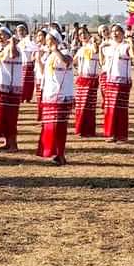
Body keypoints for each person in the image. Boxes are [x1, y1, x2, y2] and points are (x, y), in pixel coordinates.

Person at [37, 28, 74, 165]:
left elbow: (67, 61)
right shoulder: (49, 56)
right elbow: (43, 74)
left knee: (59, 127)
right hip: (49, 95)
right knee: (50, 126)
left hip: (61, 96)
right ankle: (52, 152)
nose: (47, 43)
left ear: (56, 41)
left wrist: (55, 50)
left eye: (50, 40)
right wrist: (39, 60)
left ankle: (60, 155)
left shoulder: (64, 52)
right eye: (46, 41)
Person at [101, 24, 134, 143]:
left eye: (118, 31)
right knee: (110, 109)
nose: (115, 33)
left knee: (120, 109)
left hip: (122, 82)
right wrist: (100, 48)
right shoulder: (109, 47)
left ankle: (121, 135)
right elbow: (102, 61)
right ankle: (110, 134)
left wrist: (131, 43)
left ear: (122, 33)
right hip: (110, 81)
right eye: (113, 31)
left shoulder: (125, 46)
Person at [72, 29, 101, 137]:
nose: (82, 36)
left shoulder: (93, 46)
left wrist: (93, 42)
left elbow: (95, 50)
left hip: (91, 79)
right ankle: (80, 129)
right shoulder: (81, 49)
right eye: (80, 34)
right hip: (81, 79)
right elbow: (73, 61)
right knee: (80, 105)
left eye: (84, 33)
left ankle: (88, 130)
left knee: (87, 106)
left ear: (89, 35)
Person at [17, 25, 38, 104]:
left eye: (22, 30)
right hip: (20, 65)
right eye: (19, 31)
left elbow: (34, 49)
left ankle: (28, 97)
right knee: (20, 82)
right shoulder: (16, 42)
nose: (21, 32)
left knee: (28, 82)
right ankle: (21, 97)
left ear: (26, 31)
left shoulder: (29, 41)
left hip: (28, 64)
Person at [31, 29, 47, 119]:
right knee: (38, 95)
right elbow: (32, 58)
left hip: (45, 75)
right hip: (38, 74)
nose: (39, 38)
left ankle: (44, 114)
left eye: (41, 35)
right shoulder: (37, 47)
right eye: (38, 36)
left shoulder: (48, 48)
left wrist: (41, 54)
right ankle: (40, 114)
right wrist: (36, 53)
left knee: (44, 95)